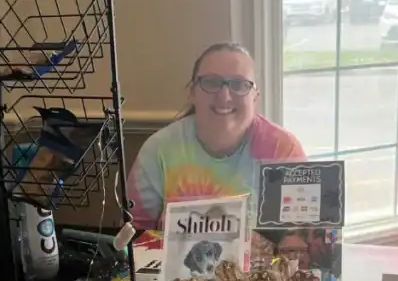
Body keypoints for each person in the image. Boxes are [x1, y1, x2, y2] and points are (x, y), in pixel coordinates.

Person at [128, 42, 306, 230]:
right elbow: (136, 232)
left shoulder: (283, 151)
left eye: (239, 84)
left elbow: (301, 235)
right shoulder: (158, 150)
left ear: (255, 97)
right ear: (192, 93)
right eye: (211, 82)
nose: (225, 97)